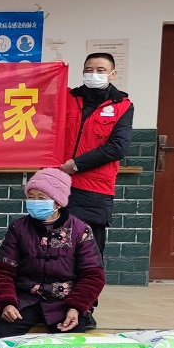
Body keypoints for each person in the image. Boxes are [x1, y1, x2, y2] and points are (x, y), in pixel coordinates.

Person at [0, 168, 106, 338]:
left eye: (41, 198)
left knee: (72, 346)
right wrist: (6, 303)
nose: (35, 202)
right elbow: (3, 270)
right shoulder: (18, 228)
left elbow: (93, 275)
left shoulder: (81, 230)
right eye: (31, 197)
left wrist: (75, 308)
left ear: (58, 203)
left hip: (64, 304)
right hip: (24, 301)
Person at [59, 52, 134, 255]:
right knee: (55, 248)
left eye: (100, 70)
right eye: (88, 70)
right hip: (59, 183)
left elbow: (117, 147)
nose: (93, 74)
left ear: (112, 74)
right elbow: (39, 92)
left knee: (89, 252)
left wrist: (76, 164)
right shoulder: (67, 97)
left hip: (94, 188)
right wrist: (56, 71)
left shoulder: (122, 106)